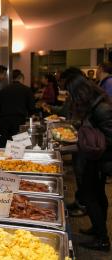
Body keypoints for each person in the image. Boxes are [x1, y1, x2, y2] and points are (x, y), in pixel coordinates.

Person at [65, 73, 112, 252]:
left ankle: (102, 239)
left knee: (92, 198)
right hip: (94, 159)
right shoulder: (95, 103)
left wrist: (88, 142)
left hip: (99, 160)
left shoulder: (102, 108)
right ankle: (98, 229)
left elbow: (109, 137)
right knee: (97, 197)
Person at [0, 69, 35, 147]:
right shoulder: (26, 89)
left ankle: (4, 158)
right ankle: (17, 159)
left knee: (5, 144)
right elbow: (31, 107)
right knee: (19, 146)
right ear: (21, 78)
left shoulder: (4, 89)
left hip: (4, 121)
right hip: (19, 121)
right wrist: (31, 114)